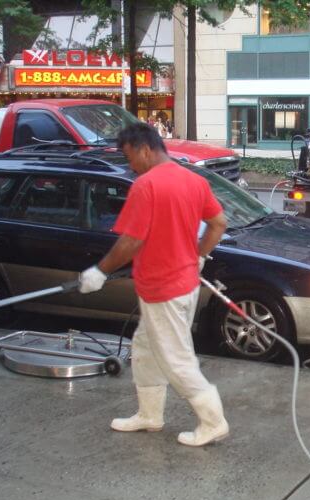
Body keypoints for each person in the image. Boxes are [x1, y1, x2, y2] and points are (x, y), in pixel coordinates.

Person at [78, 122, 230, 447]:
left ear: (145, 149)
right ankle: (150, 415)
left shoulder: (146, 185)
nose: (130, 165)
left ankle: (213, 421)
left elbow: (131, 241)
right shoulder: (193, 179)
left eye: (129, 156)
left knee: (176, 359)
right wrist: (199, 255)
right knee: (146, 348)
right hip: (182, 283)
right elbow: (218, 223)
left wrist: (100, 271)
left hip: (165, 289)